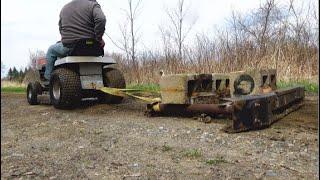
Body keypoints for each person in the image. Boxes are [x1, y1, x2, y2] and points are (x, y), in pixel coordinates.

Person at [44, 0, 106, 82]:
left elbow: (61, 28)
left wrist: (67, 37)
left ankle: (48, 80)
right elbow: (101, 19)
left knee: (51, 50)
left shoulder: (64, 8)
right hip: (92, 47)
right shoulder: (93, 5)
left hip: (71, 47)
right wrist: (99, 38)